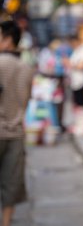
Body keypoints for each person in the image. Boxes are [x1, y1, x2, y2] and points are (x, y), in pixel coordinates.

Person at [0, 20, 33, 226]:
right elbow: (26, 100)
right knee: (10, 184)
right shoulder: (27, 68)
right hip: (16, 133)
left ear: (7, 40)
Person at [67, 34, 83, 109]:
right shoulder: (75, 51)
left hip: (82, 82)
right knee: (77, 106)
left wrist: (69, 64)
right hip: (74, 82)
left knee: (82, 106)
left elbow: (82, 65)